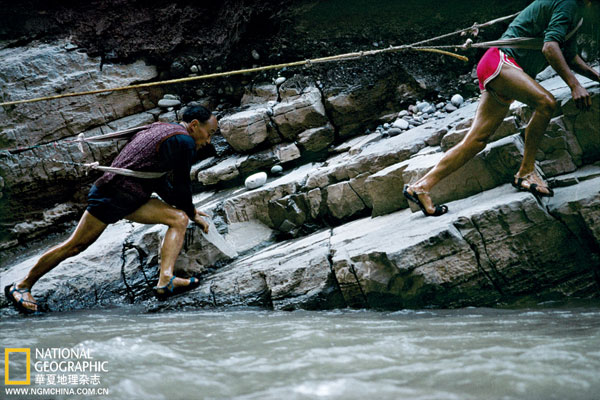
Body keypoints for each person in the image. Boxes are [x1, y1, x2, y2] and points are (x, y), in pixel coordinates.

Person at [5, 105, 219, 313]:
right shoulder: (184, 142)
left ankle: (166, 280)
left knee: (178, 219)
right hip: (112, 195)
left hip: (129, 195)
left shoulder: (162, 128)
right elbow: (182, 186)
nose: (208, 141)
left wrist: (189, 212)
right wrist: (191, 211)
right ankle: (22, 286)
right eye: (209, 133)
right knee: (75, 246)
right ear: (193, 125)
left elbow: (155, 177)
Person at [404, 0, 600, 217]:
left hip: (498, 67)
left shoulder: (577, 15)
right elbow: (550, 47)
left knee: (476, 141)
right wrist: (575, 85)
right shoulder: (568, 3)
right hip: (502, 62)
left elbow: (569, 56)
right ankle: (526, 172)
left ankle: (421, 186)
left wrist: (596, 78)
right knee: (546, 103)